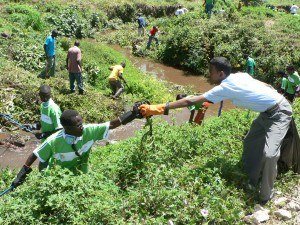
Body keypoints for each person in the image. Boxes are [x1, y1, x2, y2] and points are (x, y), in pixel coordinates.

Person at [139, 56, 292, 204]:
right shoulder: (240, 76)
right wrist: (269, 92)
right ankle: (251, 178)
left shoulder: (226, 87)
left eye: (211, 71)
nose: (208, 75)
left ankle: (266, 195)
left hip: (279, 112)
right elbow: (265, 84)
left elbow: (189, 100)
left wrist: (158, 108)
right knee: (251, 142)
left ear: (221, 74)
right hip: (266, 112)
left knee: (270, 153)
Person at [11, 101, 146, 188]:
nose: (82, 127)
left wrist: (133, 113)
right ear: (67, 128)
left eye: (81, 123)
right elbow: (35, 154)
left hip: (81, 174)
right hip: (58, 179)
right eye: (78, 125)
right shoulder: (54, 141)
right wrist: (22, 173)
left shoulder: (89, 131)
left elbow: (112, 124)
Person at [23, 85, 62, 170]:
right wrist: (31, 126)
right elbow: (43, 123)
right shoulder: (43, 106)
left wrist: (44, 134)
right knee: (43, 166)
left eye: (47, 95)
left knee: (45, 166)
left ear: (50, 95)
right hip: (45, 142)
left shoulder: (54, 109)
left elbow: (60, 130)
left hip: (54, 144)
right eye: (43, 96)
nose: (45, 98)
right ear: (39, 95)